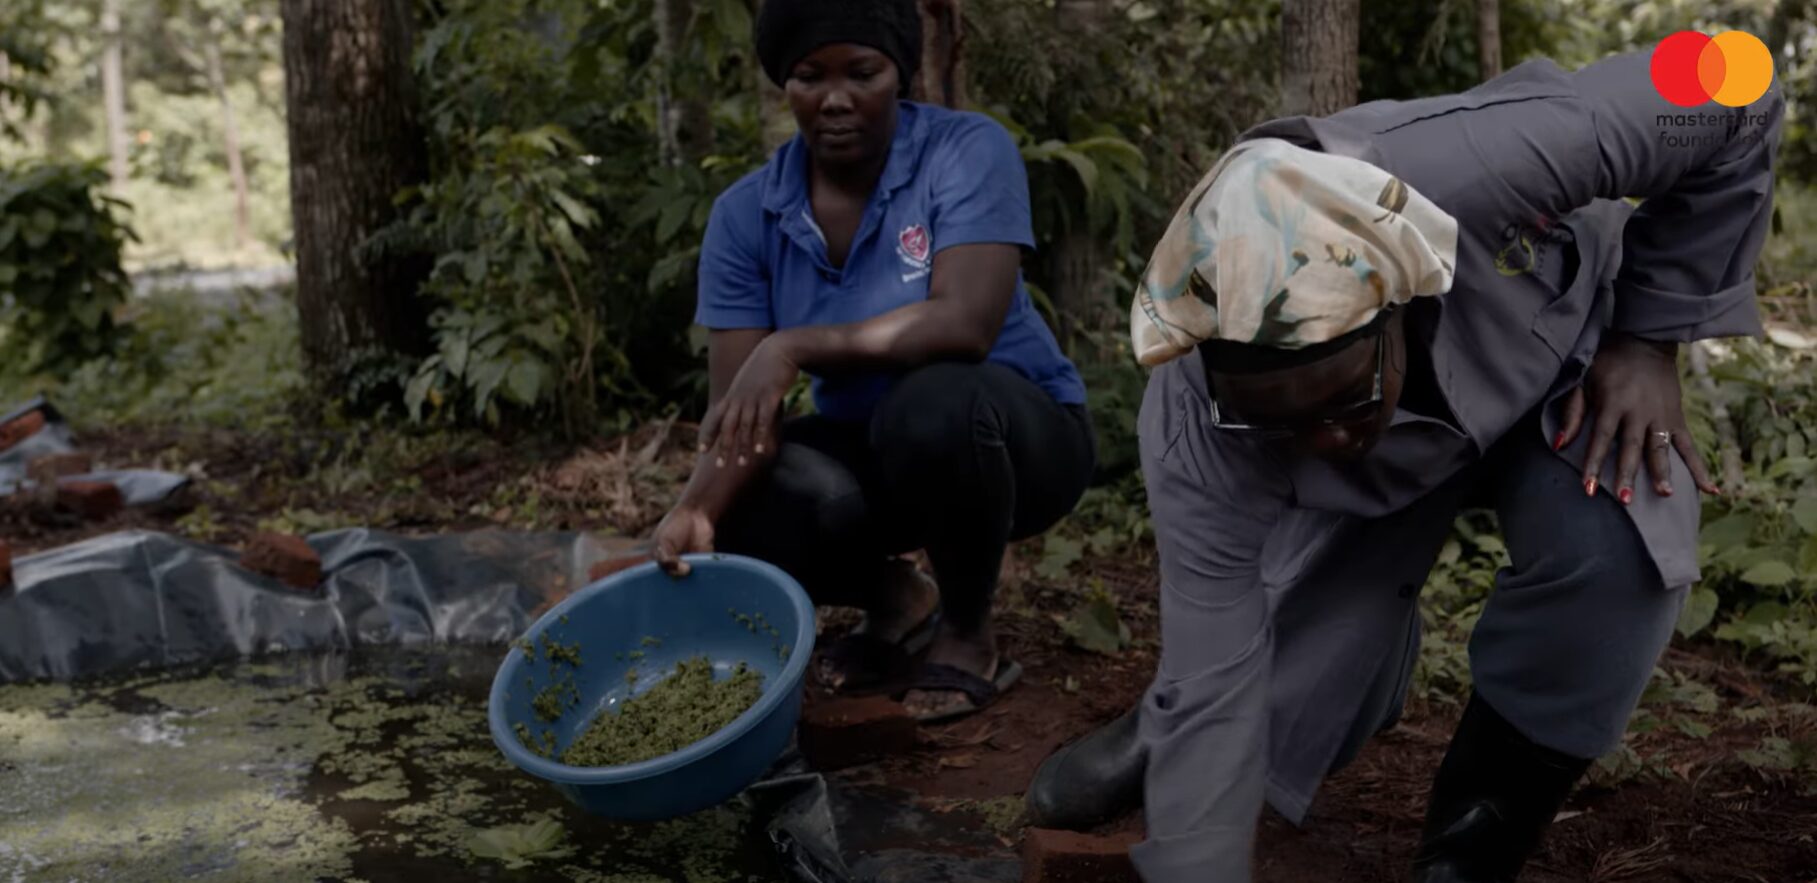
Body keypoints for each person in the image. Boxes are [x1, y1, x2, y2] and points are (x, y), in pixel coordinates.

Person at [1021, 48, 1783, 882]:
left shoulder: (1505, 156)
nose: (1321, 442)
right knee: (1280, 660)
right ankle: (1157, 726)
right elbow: (1216, 635)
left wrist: (1648, 335)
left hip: (1562, 356)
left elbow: (1737, 69)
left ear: (1396, 303)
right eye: (1282, 420)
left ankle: (1469, 850)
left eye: (1341, 400)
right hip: (1399, 431)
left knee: (1615, 555)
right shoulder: (1196, 423)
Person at [649, 0, 1095, 724]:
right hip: (878, 456)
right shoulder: (745, 215)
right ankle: (895, 599)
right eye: (807, 76)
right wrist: (696, 510)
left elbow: (966, 325)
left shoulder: (964, 151)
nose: (834, 98)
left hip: (1013, 440)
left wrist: (791, 344)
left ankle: (966, 632)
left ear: (900, 73)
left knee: (932, 406)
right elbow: (736, 416)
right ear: (782, 85)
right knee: (748, 491)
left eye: (862, 72)